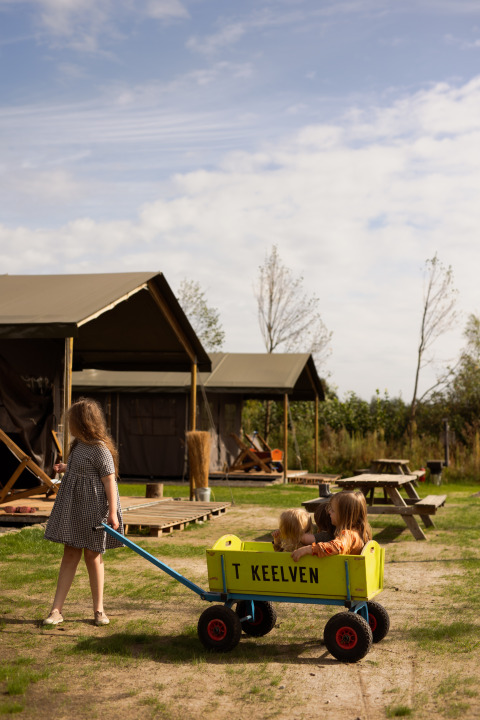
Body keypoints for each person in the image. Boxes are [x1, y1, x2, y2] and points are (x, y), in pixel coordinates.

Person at [43, 398, 124, 627]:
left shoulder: (100, 449)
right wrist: (65, 468)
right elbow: (81, 467)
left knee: (93, 555)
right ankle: (56, 610)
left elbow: (109, 481)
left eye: (72, 421)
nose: (69, 425)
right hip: (75, 508)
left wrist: (113, 513)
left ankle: (99, 610)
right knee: (70, 553)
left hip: (96, 510)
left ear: (83, 422)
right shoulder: (78, 446)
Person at [291, 491, 372, 562]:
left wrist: (310, 549)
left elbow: (335, 547)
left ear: (344, 515)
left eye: (333, 510)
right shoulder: (359, 532)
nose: (329, 512)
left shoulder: (349, 535)